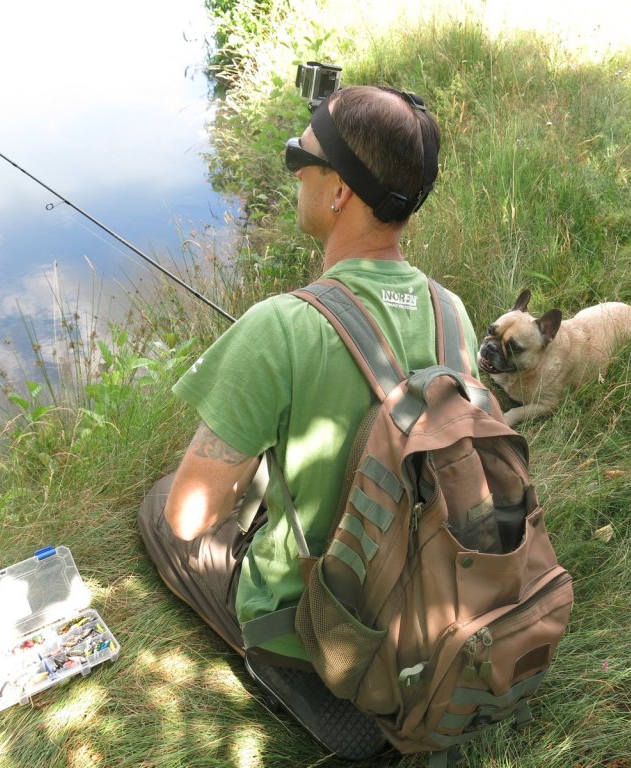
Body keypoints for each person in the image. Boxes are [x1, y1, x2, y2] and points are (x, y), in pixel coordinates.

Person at [137, 84, 479, 757]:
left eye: (303, 156)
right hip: (421, 591)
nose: (293, 170)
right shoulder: (453, 313)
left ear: (340, 192)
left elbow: (188, 517)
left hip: (321, 627)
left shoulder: (278, 327)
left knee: (157, 508)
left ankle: (288, 668)